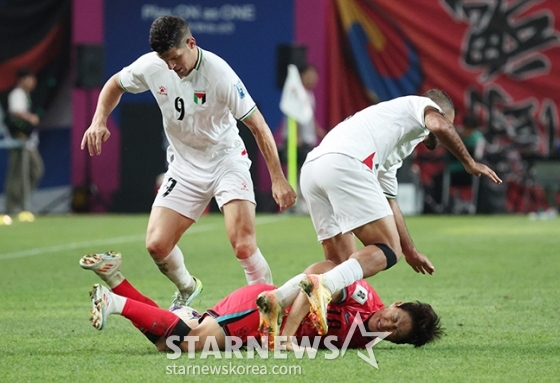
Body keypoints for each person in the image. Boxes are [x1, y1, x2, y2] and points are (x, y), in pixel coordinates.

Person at [80, 16, 296, 308]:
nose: (171, 66)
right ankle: (187, 287)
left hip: (226, 162)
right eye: (165, 59)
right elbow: (114, 84)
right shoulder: (152, 66)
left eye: (175, 57)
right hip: (184, 167)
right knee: (156, 245)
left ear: (191, 44)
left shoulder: (219, 74)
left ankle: (268, 311)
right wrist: (98, 120)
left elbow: (258, 125)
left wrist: (278, 178)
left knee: (243, 246)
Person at [293, 89, 502, 334]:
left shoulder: (395, 139)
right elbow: (439, 124)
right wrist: (470, 162)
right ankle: (320, 291)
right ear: (437, 111)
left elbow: (390, 202)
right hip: (345, 163)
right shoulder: (420, 106)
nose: (447, 129)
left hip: (313, 169)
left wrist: (411, 250)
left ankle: (283, 315)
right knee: (387, 250)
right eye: (449, 121)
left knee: (341, 269)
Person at [80, 251, 443, 351]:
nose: (386, 326)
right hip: (260, 314)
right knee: (184, 343)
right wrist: (286, 331)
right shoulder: (363, 297)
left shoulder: (368, 336)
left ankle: (116, 280)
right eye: (394, 318)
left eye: (394, 334)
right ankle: (114, 302)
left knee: (170, 341)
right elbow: (316, 277)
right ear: (395, 303)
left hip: (259, 329)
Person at [278, 63, 325, 214]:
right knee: (299, 172)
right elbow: (295, 115)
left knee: (305, 172)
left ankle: (302, 202)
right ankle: (295, 203)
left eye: (314, 75)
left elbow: (308, 116)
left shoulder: (309, 94)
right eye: (309, 74)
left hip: (307, 140)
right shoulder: (297, 93)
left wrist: (319, 131)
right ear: (302, 76)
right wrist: (296, 136)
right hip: (297, 140)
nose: (313, 78)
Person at [3, 68, 44, 220]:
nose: (33, 82)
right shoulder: (17, 94)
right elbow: (16, 111)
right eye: (30, 78)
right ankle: (12, 208)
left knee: (31, 172)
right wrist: (31, 117)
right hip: (18, 142)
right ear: (22, 80)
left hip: (28, 142)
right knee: (18, 174)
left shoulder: (25, 95)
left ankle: (19, 204)